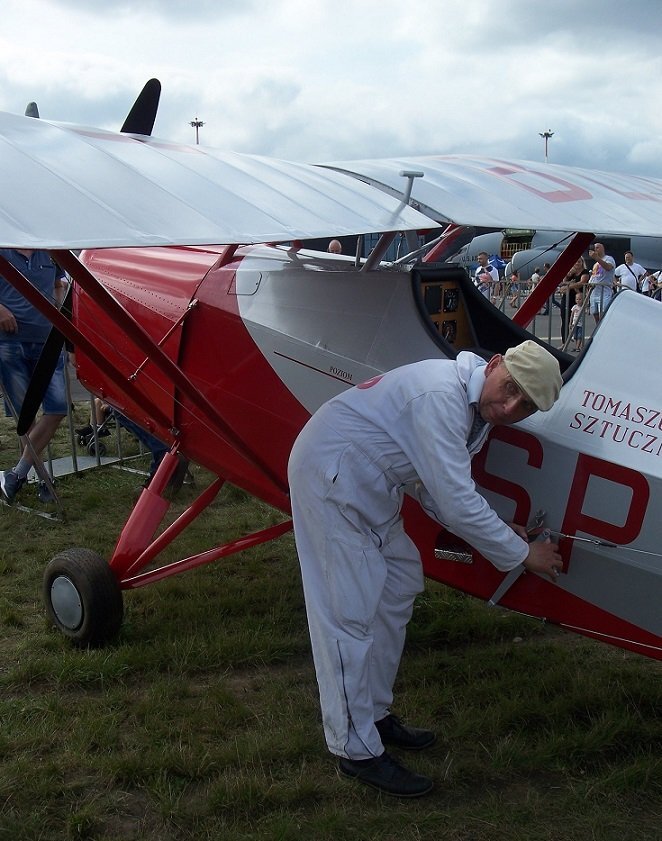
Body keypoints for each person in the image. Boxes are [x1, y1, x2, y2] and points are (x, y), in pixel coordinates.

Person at [288, 341, 563, 797]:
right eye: (511, 388)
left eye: (526, 406)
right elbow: (454, 501)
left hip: (368, 483)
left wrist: (500, 527)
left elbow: (439, 491)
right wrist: (522, 556)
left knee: (398, 584)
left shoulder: (473, 404)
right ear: (494, 365)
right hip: (333, 478)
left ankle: (373, 715)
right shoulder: (441, 398)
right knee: (346, 615)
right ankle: (355, 750)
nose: (511, 406)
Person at [0, 249, 67, 504]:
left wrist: (59, 314)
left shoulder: (49, 251)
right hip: (10, 343)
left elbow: (58, 284)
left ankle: (16, 474)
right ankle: (42, 479)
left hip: (48, 343)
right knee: (25, 417)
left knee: (57, 408)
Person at [556, 258, 588, 345]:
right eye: (575, 261)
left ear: (582, 262)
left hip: (577, 299)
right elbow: (563, 282)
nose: (577, 263)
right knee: (564, 320)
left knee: (578, 322)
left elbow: (582, 282)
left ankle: (579, 344)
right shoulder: (571, 273)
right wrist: (568, 274)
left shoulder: (585, 272)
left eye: (579, 262)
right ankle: (564, 343)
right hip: (567, 298)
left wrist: (569, 286)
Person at [587, 242, 616, 325]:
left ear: (602, 248)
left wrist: (597, 258)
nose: (595, 249)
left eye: (597, 248)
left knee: (603, 315)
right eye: (594, 248)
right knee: (595, 314)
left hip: (604, 292)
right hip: (594, 292)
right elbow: (594, 276)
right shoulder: (595, 264)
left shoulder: (608, 259)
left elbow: (608, 267)